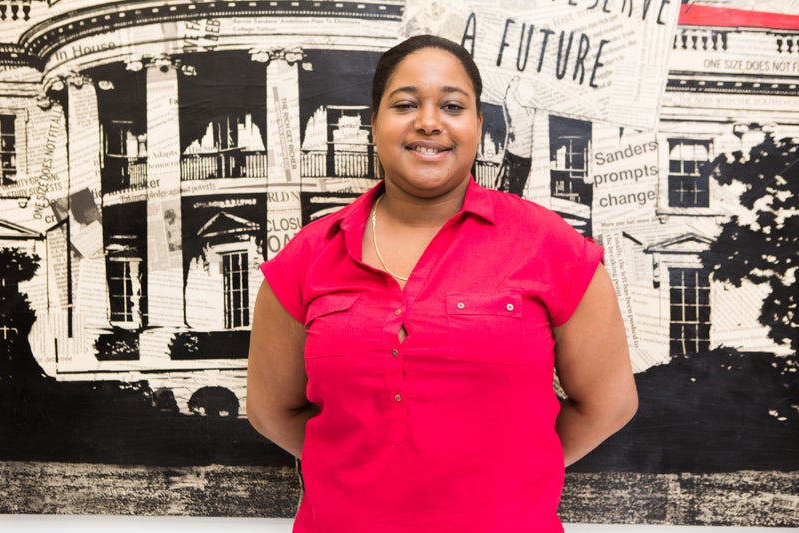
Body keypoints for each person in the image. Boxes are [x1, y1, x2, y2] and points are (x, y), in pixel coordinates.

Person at [247, 34, 638, 533]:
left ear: (478, 126)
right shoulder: (309, 254)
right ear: (374, 125)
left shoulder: (550, 246)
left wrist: (514, 472)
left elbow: (608, 404)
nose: (429, 122)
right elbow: (271, 410)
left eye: (452, 106)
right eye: (405, 105)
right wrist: (356, 470)